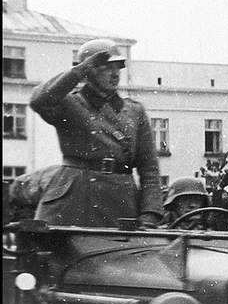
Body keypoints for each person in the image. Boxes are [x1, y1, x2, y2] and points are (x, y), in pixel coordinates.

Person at [28, 38, 163, 227]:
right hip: (73, 200)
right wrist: (77, 71)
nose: (114, 74)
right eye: (105, 67)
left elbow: (149, 168)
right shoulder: (68, 103)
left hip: (120, 201)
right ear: (87, 73)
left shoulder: (135, 111)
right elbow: (38, 101)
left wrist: (150, 214)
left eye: (117, 67)